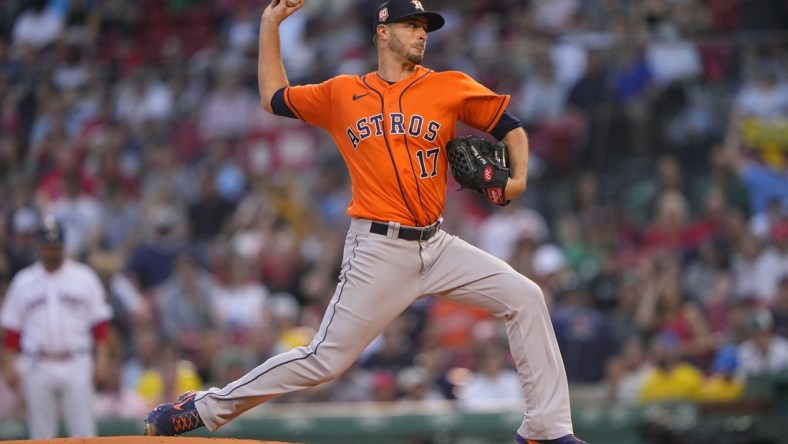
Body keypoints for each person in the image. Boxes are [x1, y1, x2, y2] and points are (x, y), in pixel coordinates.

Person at [144, 1, 585, 443]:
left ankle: (545, 430)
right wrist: (270, 24)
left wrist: (518, 181)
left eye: (424, 27)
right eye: (410, 25)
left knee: (526, 297)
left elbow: (511, 127)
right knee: (324, 361)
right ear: (382, 32)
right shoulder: (341, 93)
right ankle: (202, 407)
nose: (421, 34)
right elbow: (272, 96)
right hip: (378, 250)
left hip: (438, 245)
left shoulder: (449, 86)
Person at [0, 215, 112, 439]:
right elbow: (12, 329)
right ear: (39, 246)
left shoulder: (84, 277)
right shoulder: (24, 280)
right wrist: (9, 364)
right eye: (47, 246)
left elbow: (100, 325)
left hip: (77, 361)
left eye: (55, 246)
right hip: (37, 363)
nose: (51, 251)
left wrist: (101, 361)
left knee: (83, 430)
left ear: (63, 245)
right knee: (41, 433)